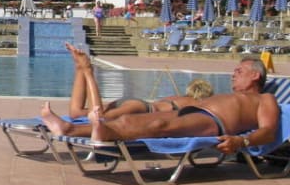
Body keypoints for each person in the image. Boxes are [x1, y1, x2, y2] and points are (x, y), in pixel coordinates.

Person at [44, 50, 278, 154]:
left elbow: (268, 131)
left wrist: (242, 141)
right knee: (131, 120)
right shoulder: (231, 95)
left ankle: (100, 131)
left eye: (239, 71)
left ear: (255, 75)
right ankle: (69, 128)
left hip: (212, 121)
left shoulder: (265, 99)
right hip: (193, 112)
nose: (233, 74)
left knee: (158, 126)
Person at [44, 43, 213, 137]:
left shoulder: (180, 97)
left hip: (134, 103)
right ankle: (87, 70)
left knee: (77, 113)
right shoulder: (196, 105)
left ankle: (79, 69)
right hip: (141, 109)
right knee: (99, 116)